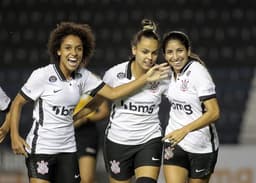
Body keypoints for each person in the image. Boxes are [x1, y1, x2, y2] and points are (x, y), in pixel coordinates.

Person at [9, 21, 169, 183]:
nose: (74, 53)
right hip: (42, 147)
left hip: (69, 148)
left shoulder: (84, 76)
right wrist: (14, 135)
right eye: (68, 48)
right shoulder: (43, 75)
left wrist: (77, 116)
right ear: (58, 50)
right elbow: (17, 103)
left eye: (79, 49)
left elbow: (111, 95)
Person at [102, 19, 169, 183]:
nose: (150, 57)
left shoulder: (163, 76)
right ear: (134, 50)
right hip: (117, 142)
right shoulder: (114, 74)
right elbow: (102, 101)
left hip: (149, 140)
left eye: (154, 53)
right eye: (145, 52)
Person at [161, 31, 220, 183]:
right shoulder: (166, 74)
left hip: (201, 145)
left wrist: (185, 130)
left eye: (179, 50)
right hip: (175, 140)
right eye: (170, 52)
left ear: (188, 50)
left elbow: (214, 112)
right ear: (164, 55)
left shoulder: (198, 73)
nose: (175, 57)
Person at [74, 95, 109, 183]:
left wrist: (85, 119)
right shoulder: (56, 84)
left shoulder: (92, 83)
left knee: (87, 179)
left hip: (86, 134)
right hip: (61, 134)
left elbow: (104, 111)